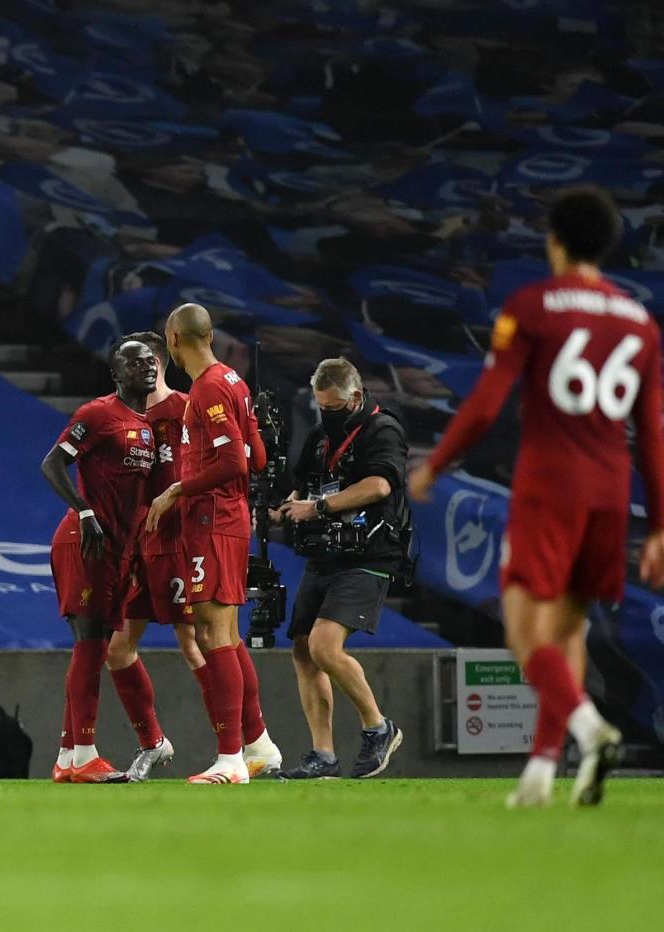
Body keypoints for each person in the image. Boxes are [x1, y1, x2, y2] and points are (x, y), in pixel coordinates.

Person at [409, 186, 664, 808]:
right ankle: (541, 776)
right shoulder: (640, 322)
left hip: (549, 486)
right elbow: (652, 432)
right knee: (569, 631)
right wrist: (658, 527)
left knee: (526, 631)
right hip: (609, 493)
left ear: (553, 240)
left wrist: (435, 464)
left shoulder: (532, 306)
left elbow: (488, 402)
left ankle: (587, 727)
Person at [111, 330, 281, 781]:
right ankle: (252, 743)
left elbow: (237, 463)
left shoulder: (200, 394)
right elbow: (256, 455)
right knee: (209, 636)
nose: (140, 370)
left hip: (200, 528)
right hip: (181, 532)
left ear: (168, 348)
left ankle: (233, 754)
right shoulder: (230, 384)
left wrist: (177, 490)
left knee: (208, 637)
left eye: (145, 360)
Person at [272, 358, 407, 780]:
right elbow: (306, 483)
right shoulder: (319, 435)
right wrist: (286, 509)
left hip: (369, 554)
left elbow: (380, 485)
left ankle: (378, 727)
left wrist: (319, 507)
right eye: (320, 407)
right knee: (302, 649)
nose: (326, 415)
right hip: (327, 553)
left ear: (356, 396)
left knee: (324, 647)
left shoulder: (383, 429)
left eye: (333, 408)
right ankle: (322, 755)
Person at [41, 340, 158, 783]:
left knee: (96, 646)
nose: (145, 366)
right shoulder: (98, 414)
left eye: (150, 360)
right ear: (116, 372)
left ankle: (69, 756)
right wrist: (85, 510)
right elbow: (52, 464)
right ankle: (85, 753)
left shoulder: (145, 426)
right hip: (84, 541)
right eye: (134, 361)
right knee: (90, 646)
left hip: (116, 550)